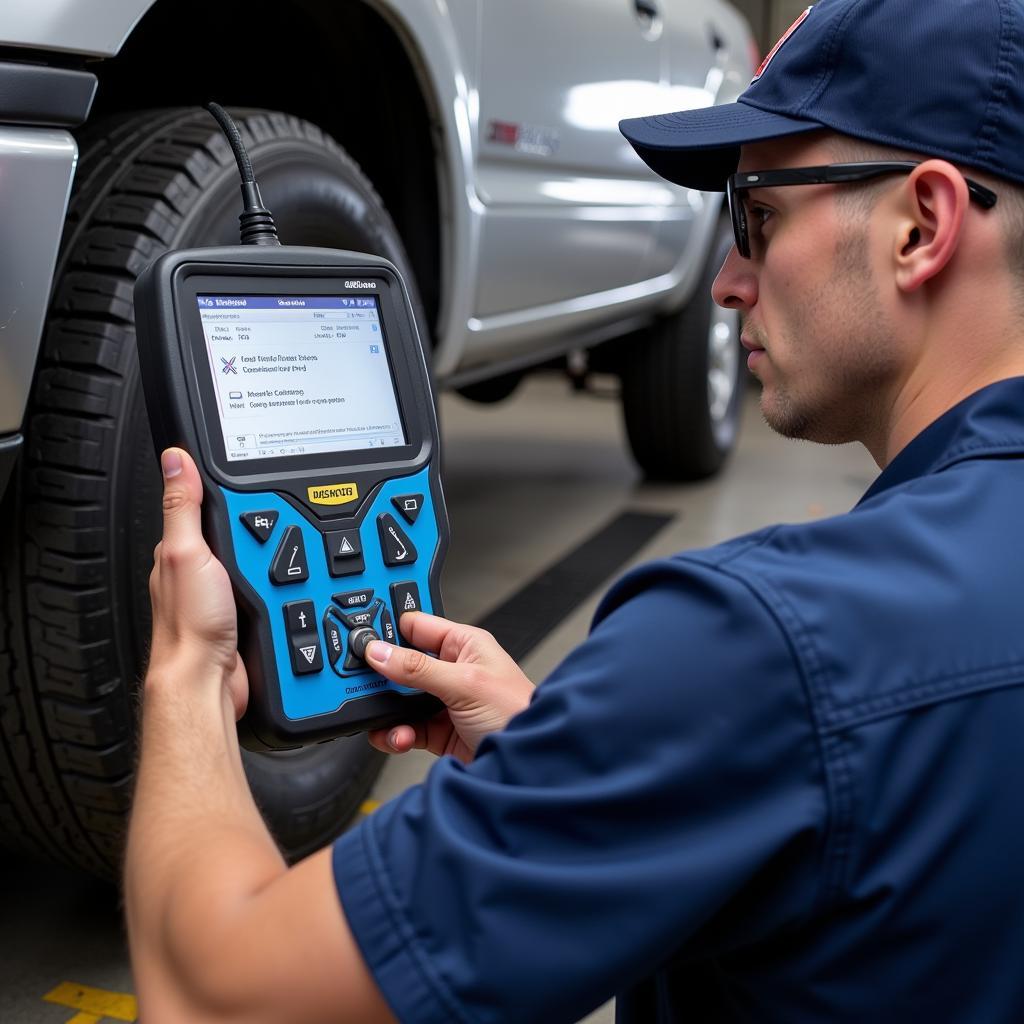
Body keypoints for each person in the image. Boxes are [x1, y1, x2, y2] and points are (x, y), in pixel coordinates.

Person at [124, 0, 1024, 1020]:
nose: (726, 283)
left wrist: (186, 676)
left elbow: (214, 994)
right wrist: (579, 755)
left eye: (756, 218)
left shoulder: (758, 652)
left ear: (922, 225)